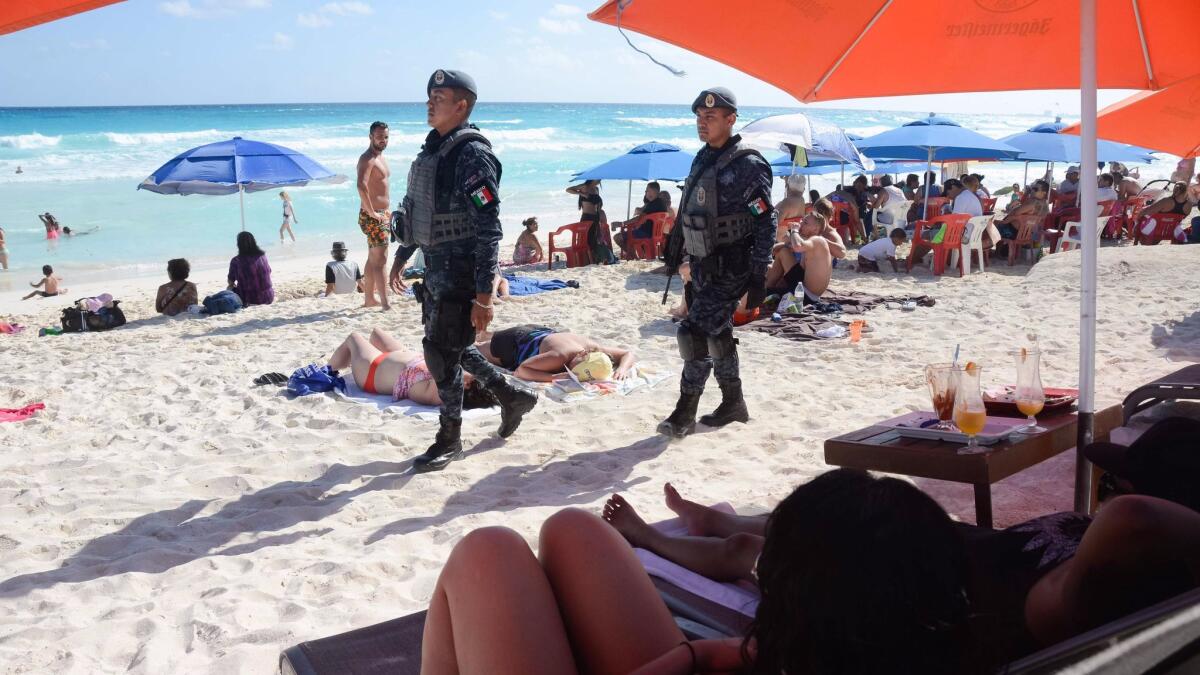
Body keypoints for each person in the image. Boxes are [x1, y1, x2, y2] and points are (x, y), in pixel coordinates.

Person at [601, 469, 1200, 669]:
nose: (1110, 487)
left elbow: (1133, 513)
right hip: (922, 544)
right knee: (836, 513)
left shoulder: (1064, 603)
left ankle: (651, 536)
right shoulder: (1104, 567)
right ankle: (719, 521)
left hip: (877, 574)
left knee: (745, 551)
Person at [421, 469, 985, 675]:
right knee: (571, 527)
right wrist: (706, 654)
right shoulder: (917, 643)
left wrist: (698, 655)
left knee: (486, 551)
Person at [387, 69, 538, 472]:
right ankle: (510, 394)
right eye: (429, 96)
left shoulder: (473, 155)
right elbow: (420, 212)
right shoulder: (432, 152)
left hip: (461, 269)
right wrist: (401, 257)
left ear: (462, 105)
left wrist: (484, 294)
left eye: (440, 96)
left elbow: (490, 229)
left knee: (440, 352)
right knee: (451, 345)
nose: (430, 102)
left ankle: (449, 438)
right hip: (434, 267)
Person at [658, 87, 774, 439]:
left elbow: (766, 220)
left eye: (710, 117)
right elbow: (691, 206)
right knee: (718, 332)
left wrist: (757, 274)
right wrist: (676, 247)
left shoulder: (749, 165)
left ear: (731, 119)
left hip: (733, 264)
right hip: (704, 262)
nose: (702, 123)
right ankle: (733, 403)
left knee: (693, 332)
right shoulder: (702, 158)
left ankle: (684, 411)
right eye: (699, 117)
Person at [328, 327, 498, 408]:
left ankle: (327, 370)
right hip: (399, 358)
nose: (471, 370)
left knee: (353, 337)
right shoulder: (450, 379)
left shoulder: (439, 392)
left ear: (467, 384)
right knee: (376, 333)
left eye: (473, 374)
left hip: (372, 370)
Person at [476, 324, 635, 382]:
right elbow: (521, 371)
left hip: (538, 332)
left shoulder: (595, 349)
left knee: (481, 343)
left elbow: (627, 353)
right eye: (576, 368)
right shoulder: (560, 356)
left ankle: (486, 334)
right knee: (472, 350)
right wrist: (552, 377)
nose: (573, 371)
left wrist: (621, 369)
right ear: (582, 355)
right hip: (515, 344)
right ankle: (482, 337)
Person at [356, 121, 392, 310]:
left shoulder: (380, 157)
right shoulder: (368, 158)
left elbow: (380, 187)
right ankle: (385, 304)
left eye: (386, 137)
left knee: (373, 258)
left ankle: (369, 299)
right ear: (370, 137)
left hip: (380, 214)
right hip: (374, 216)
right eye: (379, 137)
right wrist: (372, 212)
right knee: (381, 260)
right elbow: (361, 185)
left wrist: (386, 210)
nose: (383, 140)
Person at [762, 211, 834, 299]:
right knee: (779, 255)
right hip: (805, 290)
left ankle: (765, 289)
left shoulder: (818, 241)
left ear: (815, 229)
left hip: (806, 294)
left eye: (805, 223)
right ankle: (766, 289)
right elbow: (783, 242)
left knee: (783, 252)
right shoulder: (809, 242)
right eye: (802, 220)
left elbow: (797, 247)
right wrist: (789, 237)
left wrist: (794, 230)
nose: (800, 223)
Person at [613, 182, 669, 255]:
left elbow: (638, 218)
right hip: (655, 233)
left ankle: (632, 256)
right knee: (629, 233)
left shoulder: (653, 204)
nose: (645, 193)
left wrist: (622, 223)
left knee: (617, 237)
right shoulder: (661, 203)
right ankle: (633, 255)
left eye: (647, 190)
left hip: (645, 233)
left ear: (654, 191)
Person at [227, 231, 274, 306]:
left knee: (229, 288)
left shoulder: (236, 261)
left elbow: (230, 280)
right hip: (268, 297)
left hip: (249, 299)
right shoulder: (262, 256)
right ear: (254, 242)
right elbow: (269, 271)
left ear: (239, 245)